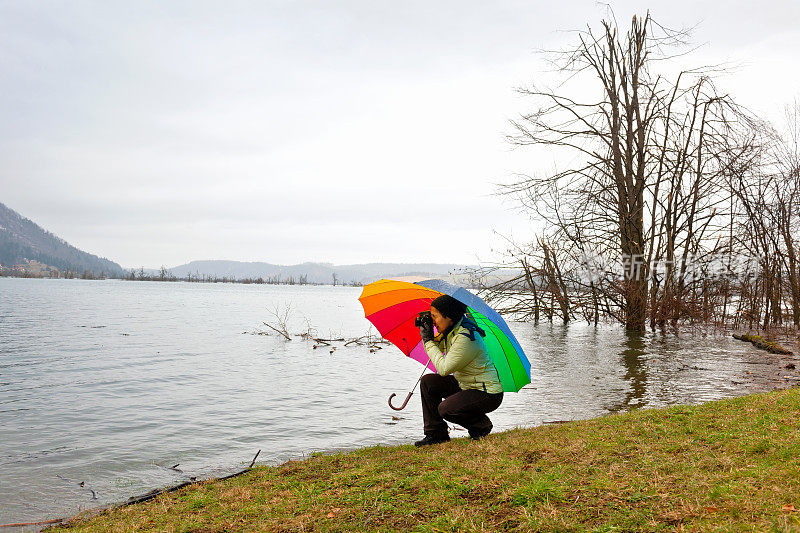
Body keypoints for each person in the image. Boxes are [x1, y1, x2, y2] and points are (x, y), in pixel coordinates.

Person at [414, 294, 503, 447]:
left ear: (449, 317)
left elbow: (443, 368)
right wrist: (430, 334)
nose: (434, 321)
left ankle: (481, 425)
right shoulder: (452, 330)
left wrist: (428, 340)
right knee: (428, 382)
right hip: (466, 385)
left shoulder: (466, 336)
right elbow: (437, 351)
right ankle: (436, 434)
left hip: (487, 393)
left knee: (446, 409)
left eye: (435, 317)